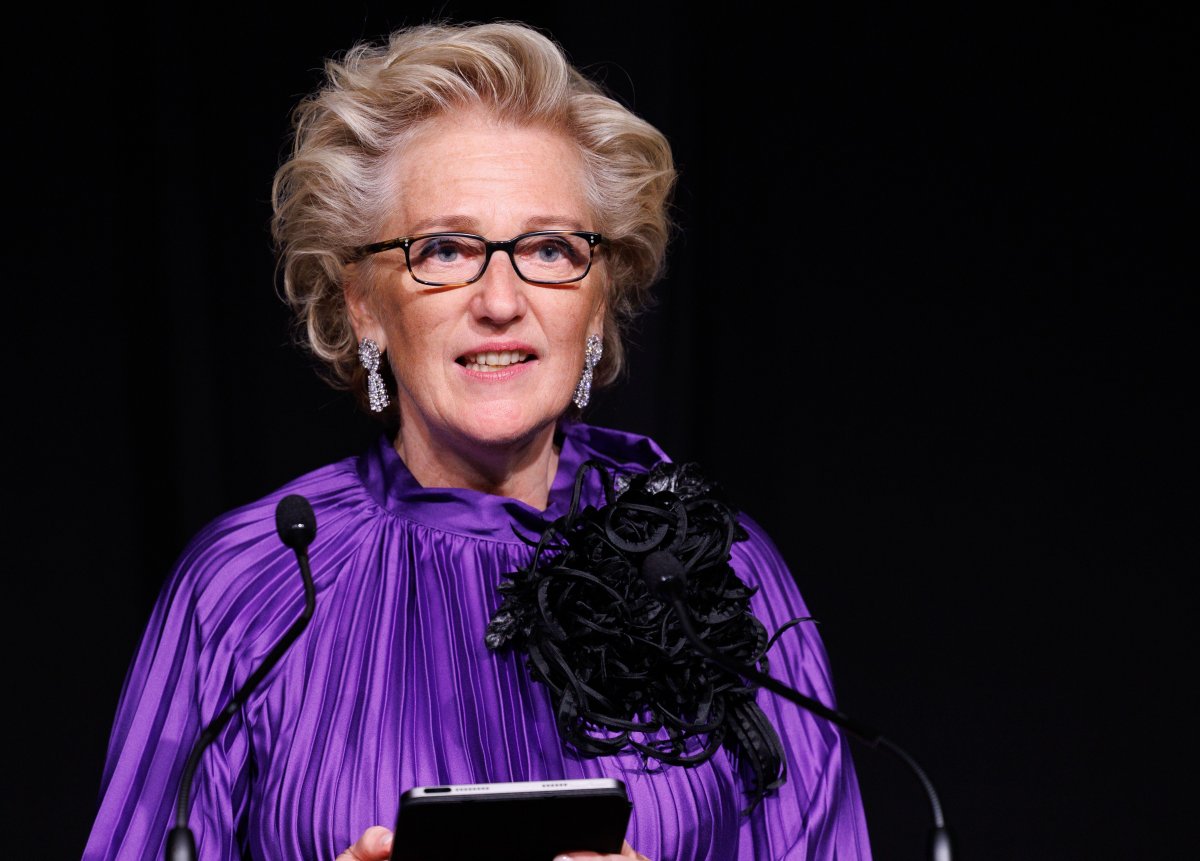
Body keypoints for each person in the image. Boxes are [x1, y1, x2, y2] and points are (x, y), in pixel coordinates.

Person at [84, 22, 871, 861]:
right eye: (446, 250)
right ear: (362, 304)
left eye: (550, 249)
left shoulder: (719, 569)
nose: (500, 300)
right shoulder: (247, 586)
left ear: (598, 301)